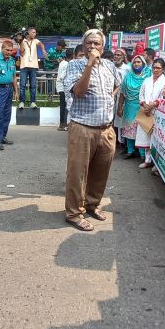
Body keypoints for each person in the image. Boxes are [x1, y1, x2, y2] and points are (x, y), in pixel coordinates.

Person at [63, 28, 120, 231]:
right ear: (83, 45)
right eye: (89, 43)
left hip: (106, 130)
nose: (93, 46)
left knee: (100, 172)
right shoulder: (75, 65)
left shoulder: (110, 66)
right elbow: (79, 91)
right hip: (83, 127)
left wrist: (110, 98)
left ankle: (92, 204)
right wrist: (89, 65)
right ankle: (73, 213)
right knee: (78, 173)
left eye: (97, 43)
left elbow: (118, 84)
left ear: (103, 47)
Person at [136, 58, 165, 168]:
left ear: (163, 69)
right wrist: (144, 104)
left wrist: (153, 105)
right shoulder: (147, 80)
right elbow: (141, 94)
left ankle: (157, 164)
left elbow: (164, 97)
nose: (156, 70)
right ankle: (148, 160)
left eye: (158, 68)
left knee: (157, 138)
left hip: (158, 113)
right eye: (154, 68)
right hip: (146, 111)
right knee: (147, 136)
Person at [117, 55, 149, 159]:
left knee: (141, 130)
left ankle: (142, 154)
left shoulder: (148, 76)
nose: (136, 64)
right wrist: (120, 107)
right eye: (134, 62)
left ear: (143, 64)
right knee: (129, 128)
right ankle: (130, 151)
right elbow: (122, 93)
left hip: (142, 107)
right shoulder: (128, 77)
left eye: (139, 62)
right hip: (129, 106)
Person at [18, 27, 46, 109]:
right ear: (29, 33)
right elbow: (21, 53)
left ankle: (33, 102)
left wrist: (43, 50)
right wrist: (21, 42)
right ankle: (22, 102)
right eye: (33, 32)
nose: (35, 34)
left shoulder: (35, 40)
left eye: (35, 32)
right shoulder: (22, 41)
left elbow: (41, 44)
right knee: (22, 85)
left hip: (33, 66)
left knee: (33, 85)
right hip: (24, 66)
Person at [56, 49, 73, 131]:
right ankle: (63, 124)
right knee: (65, 106)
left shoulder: (62, 62)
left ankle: (62, 124)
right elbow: (62, 76)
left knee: (63, 105)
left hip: (60, 86)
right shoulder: (67, 64)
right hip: (63, 87)